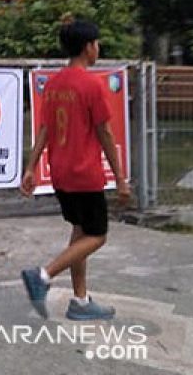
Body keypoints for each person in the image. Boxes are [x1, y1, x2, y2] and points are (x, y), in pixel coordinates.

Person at [20, 16, 131, 321]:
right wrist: (120, 179)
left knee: (80, 232)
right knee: (98, 236)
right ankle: (42, 276)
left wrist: (31, 168)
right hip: (85, 174)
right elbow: (105, 133)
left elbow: (44, 129)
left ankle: (80, 301)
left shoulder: (54, 84)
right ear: (87, 47)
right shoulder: (91, 85)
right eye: (96, 43)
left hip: (60, 173)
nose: (99, 48)